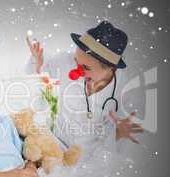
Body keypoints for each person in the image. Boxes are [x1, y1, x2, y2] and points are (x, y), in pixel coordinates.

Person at [26, 21, 143, 162]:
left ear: (110, 68)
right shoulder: (63, 62)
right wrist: (36, 62)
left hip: (86, 160)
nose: (76, 71)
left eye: (86, 68)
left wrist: (118, 132)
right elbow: (34, 80)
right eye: (76, 61)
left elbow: (113, 143)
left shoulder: (124, 91)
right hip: (54, 145)